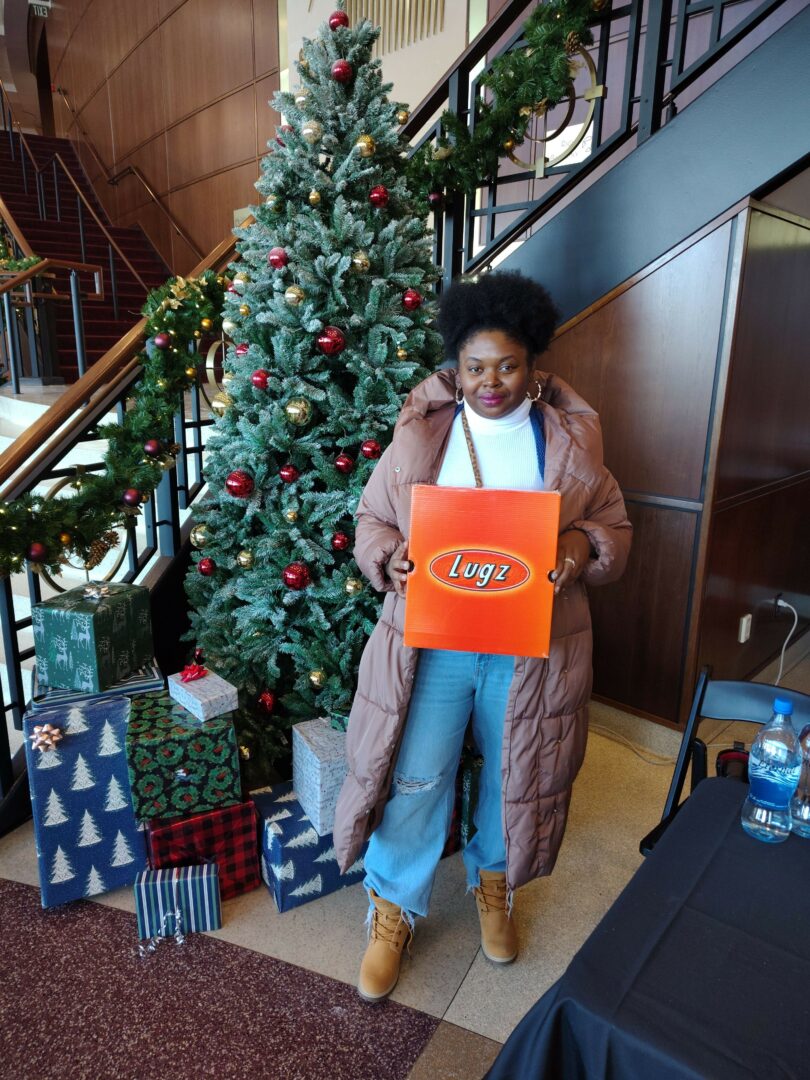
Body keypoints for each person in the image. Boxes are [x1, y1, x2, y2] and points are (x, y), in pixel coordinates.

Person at [332, 270, 632, 1003]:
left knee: (514, 772)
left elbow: (613, 528)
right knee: (415, 774)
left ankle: (495, 886)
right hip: (432, 643)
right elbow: (372, 520)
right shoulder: (422, 435)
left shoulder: (568, 441)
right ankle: (392, 907)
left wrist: (577, 548)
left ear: (532, 366)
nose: (489, 383)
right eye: (474, 367)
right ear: (456, 366)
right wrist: (389, 557)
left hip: (531, 647)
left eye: (507, 366)